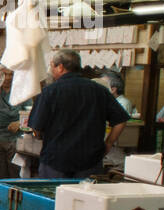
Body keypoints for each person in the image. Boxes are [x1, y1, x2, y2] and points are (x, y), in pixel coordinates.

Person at [27, 49, 129, 178]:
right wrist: (108, 144)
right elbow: (121, 120)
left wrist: (40, 135)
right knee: (85, 197)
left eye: (52, 66)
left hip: (56, 161)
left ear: (60, 67)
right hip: (90, 161)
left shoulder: (50, 92)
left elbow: (36, 128)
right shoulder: (99, 90)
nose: (51, 69)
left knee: (54, 196)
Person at [0, 68, 30, 180]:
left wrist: (19, 123)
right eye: (4, 74)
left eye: (11, 74)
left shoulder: (22, 90)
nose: (8, 78)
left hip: (15, 139)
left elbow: (31, 112)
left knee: (16, 174)